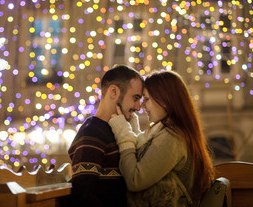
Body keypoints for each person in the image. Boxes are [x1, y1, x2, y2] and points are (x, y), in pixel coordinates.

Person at [108, 70, 215, 207]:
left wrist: (123, 132)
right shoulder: (167, 131)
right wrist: (132, 129)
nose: (142, 106)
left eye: (146, 99)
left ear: (165, 100)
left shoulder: (172, 137)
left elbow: (135, 179)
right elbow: (148, 158)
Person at [68, 65, 144, 207]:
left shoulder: (121, 130)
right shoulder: (92, 132)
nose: (139, 106)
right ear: (113, 91)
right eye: (135, 98)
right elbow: (82, 196)